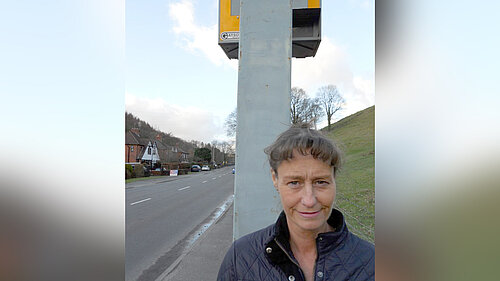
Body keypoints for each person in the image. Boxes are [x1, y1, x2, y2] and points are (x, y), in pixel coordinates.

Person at [217, 124, 374, 281]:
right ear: (275, 179)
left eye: (320, 182)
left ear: (334, 180)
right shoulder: (241, 259)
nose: (309, 200)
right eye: (294, 183)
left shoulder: (372, 263)